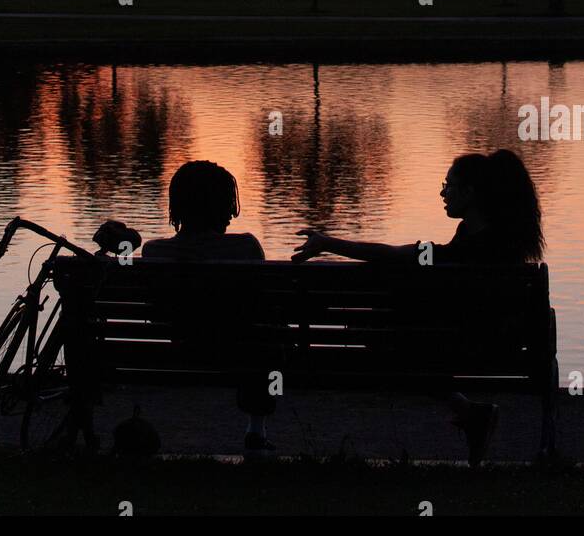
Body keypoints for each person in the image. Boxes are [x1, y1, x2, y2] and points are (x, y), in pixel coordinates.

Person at [292, 149, 544, 465]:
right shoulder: (498, 244)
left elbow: (402, 255)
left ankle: (467, 411)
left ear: (470, 193)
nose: (442, 191)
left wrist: (330, 244)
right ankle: (469, 413)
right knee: (390, 335)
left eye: (448, 185)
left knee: (384, 340)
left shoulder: (471, 249)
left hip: (468, 346)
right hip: (499, 349)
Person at [142, 161, 277, 454]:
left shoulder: (153, 252)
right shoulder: (246, 248)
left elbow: (154, 315)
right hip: (241, 353)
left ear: (177, 206)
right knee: (266, 339)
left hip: (171, 353)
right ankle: (256, 429)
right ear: (223, 207)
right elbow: (260, 306)